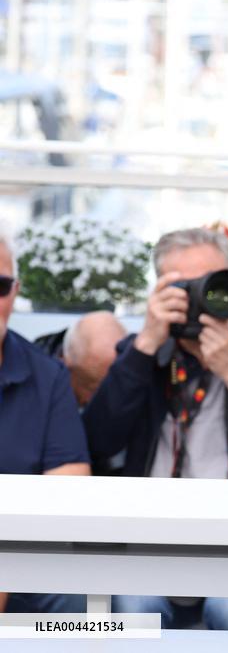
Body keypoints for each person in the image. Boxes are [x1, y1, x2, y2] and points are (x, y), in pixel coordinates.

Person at [82, 227, 228, 631]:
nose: (200, 299)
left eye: (212, 283)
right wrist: (145, 346)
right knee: (135, 609)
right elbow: (97, 440)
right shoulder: (144, 354)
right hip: (149, 537)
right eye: (183, 287)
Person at [0, 231, 89, 615]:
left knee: (72, 601)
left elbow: (70, 486)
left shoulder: (47, 375)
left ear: (16, 291)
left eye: (0, 286)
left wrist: (6, 567)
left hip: (18, 553)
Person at [34, 311, 127, 407]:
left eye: (114, 387)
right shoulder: (32, 388)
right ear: (63, 361)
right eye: (92, 388)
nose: (101, 399)